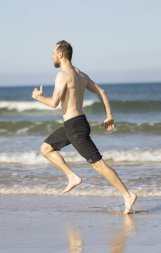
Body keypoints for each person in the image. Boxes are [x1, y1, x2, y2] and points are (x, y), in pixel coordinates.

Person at [32, 40, 137, 214]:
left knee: (99, 165)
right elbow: (101, 92)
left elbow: (53, 103)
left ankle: (127, 194)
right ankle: (72, 177)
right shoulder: (81, 74)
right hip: (75, 124)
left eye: (52, 53)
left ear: (60, 54)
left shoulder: (62, 75)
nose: (51, 57)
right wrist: (109, 115)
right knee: (45, 148)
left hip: (74, 127)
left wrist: (38, 97)